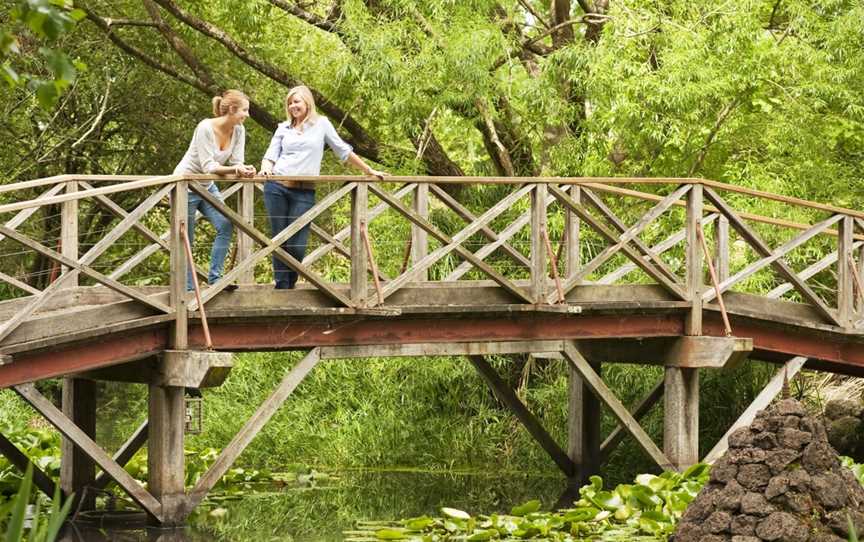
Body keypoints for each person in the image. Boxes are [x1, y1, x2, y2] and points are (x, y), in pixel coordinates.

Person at [261, 85, 386, 289]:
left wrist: (368, 170)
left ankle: (288, 282)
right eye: (290, 103)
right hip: (276, 187)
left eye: (297, 102)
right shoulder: (283, 128)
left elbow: (343, 151)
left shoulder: (321, 124)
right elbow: (270, 156)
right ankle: (283, 287)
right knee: (278, 239)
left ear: (307, 103)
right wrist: (265, 169)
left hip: (304, 190)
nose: (293, 106)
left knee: (297, 245)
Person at [173, 89, 257, 290]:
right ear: (232, 109)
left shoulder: (239, 130)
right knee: (188, 237)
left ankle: (215, 279)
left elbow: (237, 162)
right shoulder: (205, 128)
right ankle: (189, 289)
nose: (247, 115)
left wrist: (245, 169)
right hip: (186, 185)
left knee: (226, 224)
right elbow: (208, 166)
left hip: (207, 185)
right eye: (245, 110)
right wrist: (235, 169)